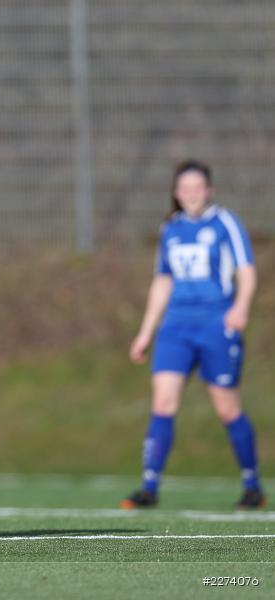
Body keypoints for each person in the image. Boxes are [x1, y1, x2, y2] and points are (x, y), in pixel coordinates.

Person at [122, 159, 264, 510]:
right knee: (163, 403)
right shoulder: (171, 228)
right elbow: (162, 281)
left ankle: (252, 486)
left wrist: (241, 307)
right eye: (184, 188)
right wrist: (145, 333)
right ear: (176, 192)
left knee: (227, 409)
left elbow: (246, 270)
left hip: (217, 325)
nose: (191, 194)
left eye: (197, 188)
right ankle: (149, 487)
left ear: (209, 190)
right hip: (176, 328)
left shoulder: (225, 223)